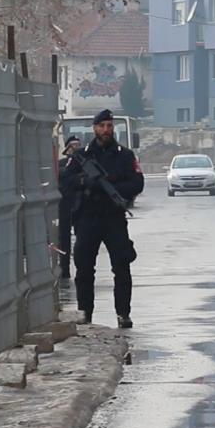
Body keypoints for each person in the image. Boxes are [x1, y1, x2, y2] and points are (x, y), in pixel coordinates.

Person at [59, 109, 145, 327]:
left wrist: (113, 187)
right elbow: (66, 182)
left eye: (109, 126)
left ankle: (123, 314)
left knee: (122, 266)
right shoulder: (82, 156)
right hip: (88, 218)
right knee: (84, 268)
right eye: (101, 126)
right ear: (95, 128)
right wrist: (86, 182)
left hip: (114, 218)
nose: (106, 130)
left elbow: (137, 183)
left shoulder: (125, 155)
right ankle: (85, 313)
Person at [57, 136, 82, 279]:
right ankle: (64, 269)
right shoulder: (62, 164)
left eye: (78, 145)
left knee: (82, 239)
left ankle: (82, 268)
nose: (75, 148)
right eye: (73, 145)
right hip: (65, 205)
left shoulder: (84, 163)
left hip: (81, 205)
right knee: (64, 239)